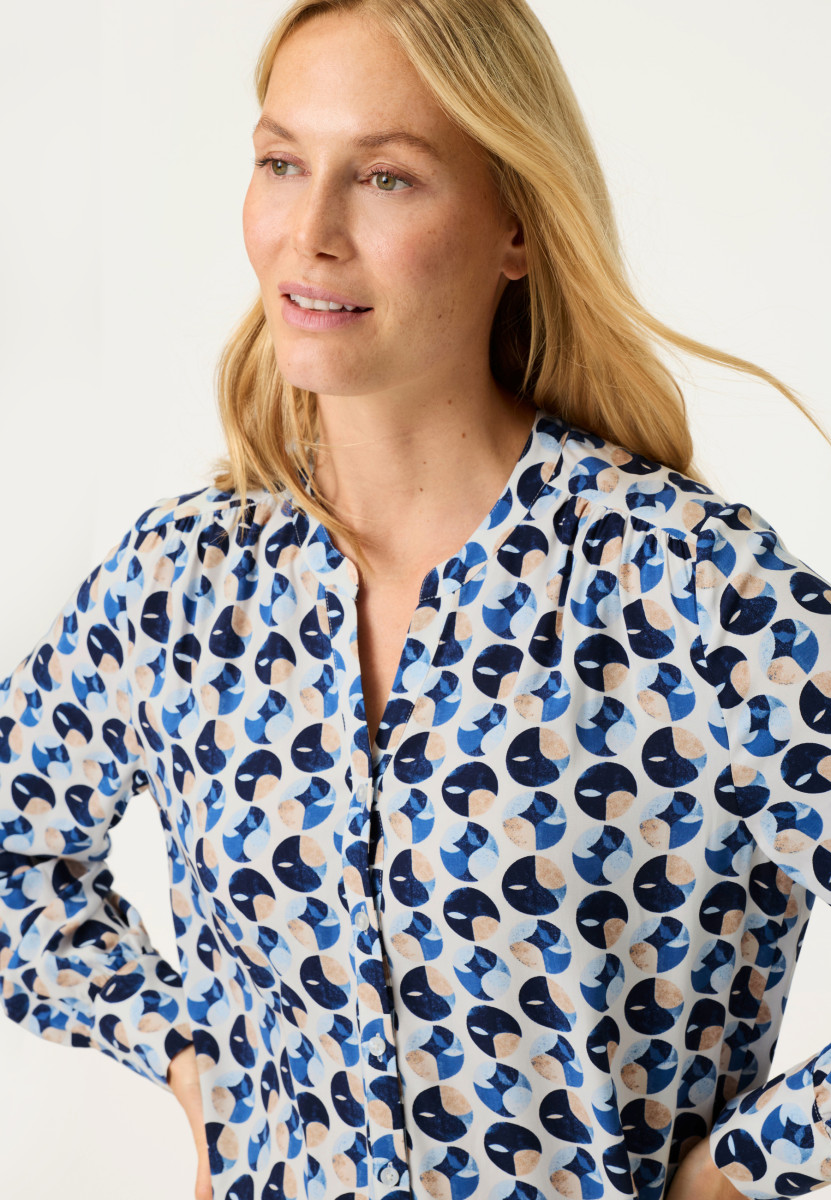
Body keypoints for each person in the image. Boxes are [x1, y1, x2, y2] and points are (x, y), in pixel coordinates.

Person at [1, 1, 829, 1198]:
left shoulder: (686, 593)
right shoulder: (183, 587)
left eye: (385, 177)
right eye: (282, 163)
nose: (310, 234)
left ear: (516, 227)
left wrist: (744, 1174)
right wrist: (186, 1052)